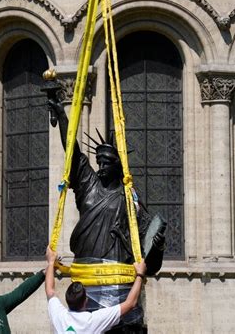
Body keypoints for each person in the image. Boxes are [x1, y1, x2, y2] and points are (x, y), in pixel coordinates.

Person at [46, 90, 166, 273]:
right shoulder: (89, 185)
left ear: (118, 166)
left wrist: (158, 247)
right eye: (99, 163)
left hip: (117, 278)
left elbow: (146, 254)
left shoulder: (130, 200)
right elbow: (74, 153)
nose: (100, 167)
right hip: (84, 274)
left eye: (106, 163)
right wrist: (62, 115)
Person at [45, 246, 147, 334]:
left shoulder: (60, 317)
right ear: (86, 300)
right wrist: (140, 274)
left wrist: (50, 263)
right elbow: (130, 303)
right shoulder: (93, 321)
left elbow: (50, 291)